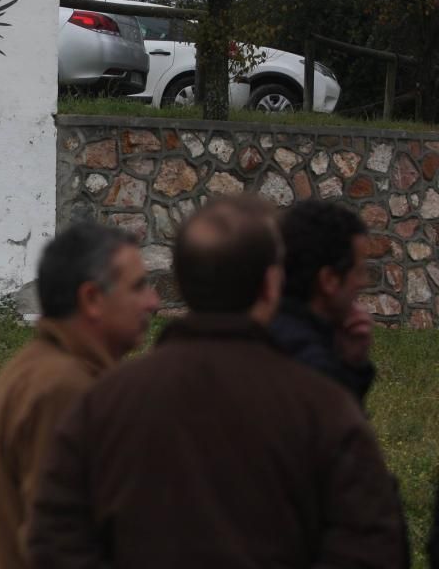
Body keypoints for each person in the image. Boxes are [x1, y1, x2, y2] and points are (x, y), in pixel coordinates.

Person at [27, 196, 406, 568]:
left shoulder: (105, 401)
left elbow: (54, 537)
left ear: (182, 282)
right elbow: (372, 543)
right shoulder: (322, 404)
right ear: (270, 285)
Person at [0, 221, 158, 569]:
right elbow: (58, 541)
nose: (153, 302)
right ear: (92, 299)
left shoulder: (38, 367)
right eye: (137, 287)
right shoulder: (64, 388)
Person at [271, 200, 375, 405]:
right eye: (360, 272)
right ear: (329, 280)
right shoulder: (315, 371)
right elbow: (340, 433)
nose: (364, 283)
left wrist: (350, 363)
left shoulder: (256, 332)